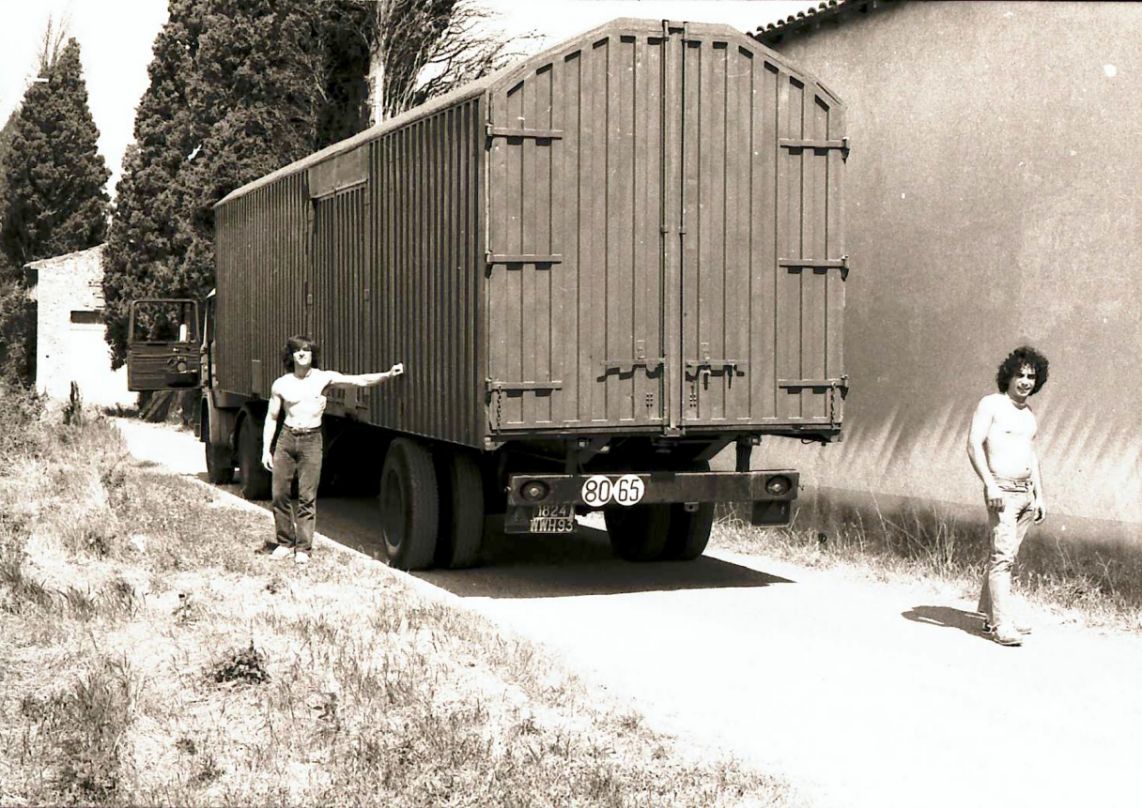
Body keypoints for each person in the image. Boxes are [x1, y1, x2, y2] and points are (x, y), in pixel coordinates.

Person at [260, 335, 404, 565]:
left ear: (312, 354)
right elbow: (272, 417)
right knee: (279, 493)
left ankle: (303, 549)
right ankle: (285, 542)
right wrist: (266, 450)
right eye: (297, 350)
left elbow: (359, 381)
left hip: (311, 440)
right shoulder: (281, 384)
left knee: (307, 496)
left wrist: (387, 375)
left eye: (306, 350)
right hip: (286, 439)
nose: (302, 354)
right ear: (290, 355)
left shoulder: (323, 378)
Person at [966, 345, 1049, 646]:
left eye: (1031, 376)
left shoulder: (1028, 414)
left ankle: (991, 617)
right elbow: (974, 445)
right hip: (1002, 492)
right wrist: (990, 484)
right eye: (1019, 375)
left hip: (1026, 494)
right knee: (1002, 558)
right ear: (1008, 376)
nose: (1025, 381)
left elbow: (1032, 456)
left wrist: (1040, 496)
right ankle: (1002, 625)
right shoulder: (991, 405)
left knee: (1006, 556)